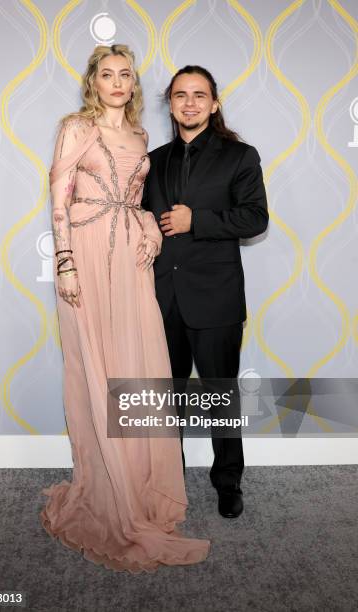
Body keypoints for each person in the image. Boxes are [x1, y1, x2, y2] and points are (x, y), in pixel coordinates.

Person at [39, 46, 210, 573]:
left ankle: (137, 484)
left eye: (125, 75)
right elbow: (59, 195)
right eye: (107, 75)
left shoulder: (140, 138)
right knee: (95, 365)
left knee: (135, 368)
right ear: (94, 82)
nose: (117, 82)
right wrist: (64, 262)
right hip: (86, 255)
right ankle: (106, 489)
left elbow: (137, 203)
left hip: (130, 262)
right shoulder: (76, 126)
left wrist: (150, 236)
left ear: (134, 84)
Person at [142, 65, 269, 519]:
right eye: (180, 95)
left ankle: (228, 481)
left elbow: (256, 219)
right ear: (170, 103)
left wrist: (198, 221)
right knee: (166, 398)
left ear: (213, 104)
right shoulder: (152, 160)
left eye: (199, 95)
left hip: (215, 297)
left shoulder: (240, 156)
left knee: (220, 395)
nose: (189, 102)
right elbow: (140, 221)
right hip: (160, 297)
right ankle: (167, 482)